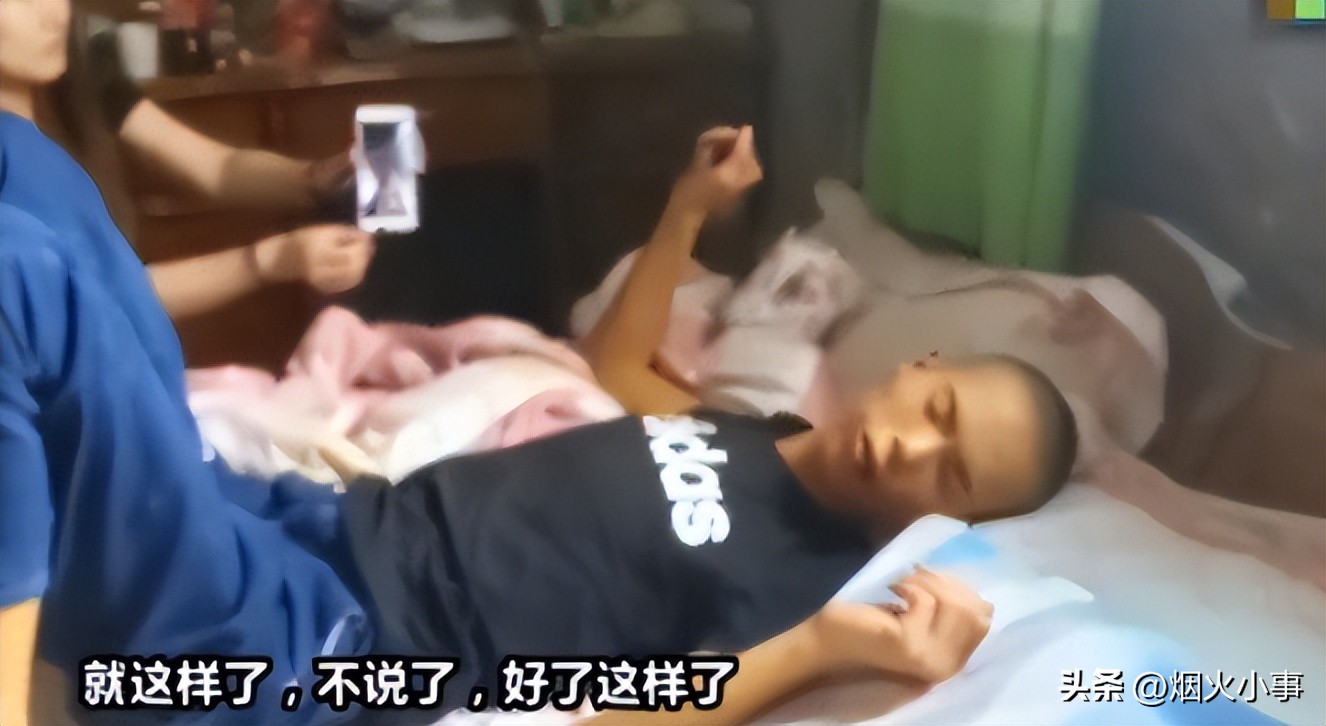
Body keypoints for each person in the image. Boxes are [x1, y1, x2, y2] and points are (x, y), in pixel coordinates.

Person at [0, 3, 1077, 724]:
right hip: (312, 525)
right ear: (918, 368)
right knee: (32, 169)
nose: (910, 448)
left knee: (20, 283)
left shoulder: (803, 578)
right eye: (938, 411)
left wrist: (826, 649)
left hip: (332, 650)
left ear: (952, 519)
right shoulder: (759, 430)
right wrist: (687, 210)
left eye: (949, 475)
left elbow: (626, 708)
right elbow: (612, 363)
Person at [44, 1, 376, 320]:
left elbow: (216, 168)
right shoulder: (21, 160)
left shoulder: (83, 73)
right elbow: (95, 300)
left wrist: (321, 178)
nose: (54, 10)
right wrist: (270, 259)